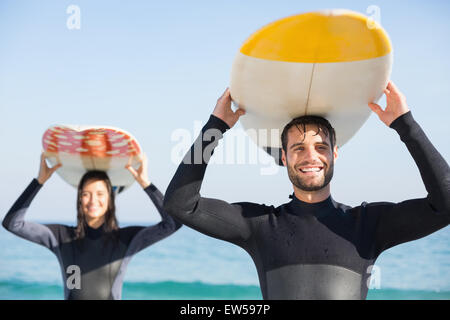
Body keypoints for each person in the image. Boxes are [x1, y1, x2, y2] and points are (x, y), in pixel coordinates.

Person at [163, 81, 450, 299]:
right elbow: (180, 204)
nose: (310, 156)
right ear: (284, 158)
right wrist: (217, 126)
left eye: (321, 147)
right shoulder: (259, 226)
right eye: (298, 148)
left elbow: (446, 204)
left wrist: (405, 124)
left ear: (335, 154)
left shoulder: (368, 225)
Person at [2, 153, 182, 300]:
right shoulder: (60, 236)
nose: (93, 200)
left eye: (100, 194)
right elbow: (12, 224)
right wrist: (39, 181)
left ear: (110, 199)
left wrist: (146, 184)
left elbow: (173, 224)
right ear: (79, 199)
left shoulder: (126, 239)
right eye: (86, 194)